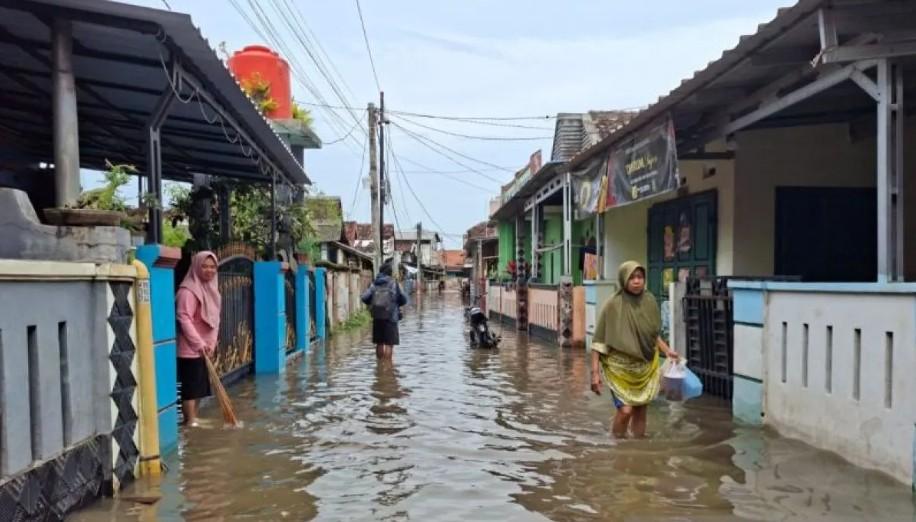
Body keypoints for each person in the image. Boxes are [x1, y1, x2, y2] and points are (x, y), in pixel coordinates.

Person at [590, 260, 678, 438]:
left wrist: (667, 350)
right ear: (624, 280)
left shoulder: (650, 301)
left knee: (640, 409)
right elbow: (598, 342)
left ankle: (637, 447)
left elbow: (652, 334)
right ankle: (618, 446)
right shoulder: (612, 305)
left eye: (640, 277)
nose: (637, 281)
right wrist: (595, 373)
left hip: (644, 366)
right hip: (619, 368)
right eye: (632, 278)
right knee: (625, 410)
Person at [176, 251, 221, 427]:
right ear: (196, 267)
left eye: (212, 267)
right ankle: (190, 421)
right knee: (190, 389)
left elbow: (215, 320)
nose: (209, 270)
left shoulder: (211, 289)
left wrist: (210, 343)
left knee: (201, 388)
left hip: (205, 349)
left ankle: (194, 418)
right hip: (190, 350)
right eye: (205, 266)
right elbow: (184, 318)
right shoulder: (188, 291)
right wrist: (198, 343)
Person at [362, 261, 407, 360]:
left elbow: (364, 297)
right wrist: (396, 303)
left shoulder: (374, 283)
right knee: (389, 344)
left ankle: (380, 365)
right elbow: (404, 299)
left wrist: (373, 303)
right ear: (390, 272)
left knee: (379, 343)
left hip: (377, 317)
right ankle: (387, 367)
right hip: (391, 318)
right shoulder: (394, 283)